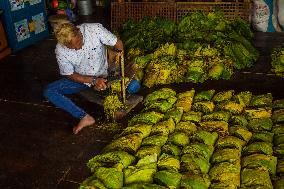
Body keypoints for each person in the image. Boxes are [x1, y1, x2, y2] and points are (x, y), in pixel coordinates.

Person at [43, 22, 124, 134]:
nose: (77, 48)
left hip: (105, 75)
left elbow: (117, 43)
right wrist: (93, 81)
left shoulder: (94, 30)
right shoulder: (60, 50)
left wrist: (117, 67)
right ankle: (84, 117)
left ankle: (105, 88)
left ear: (79, 32)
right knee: (49, 91)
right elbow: (69, 74)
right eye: (71, 47)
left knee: (133, 86)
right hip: (82, 80)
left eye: (78, 42)